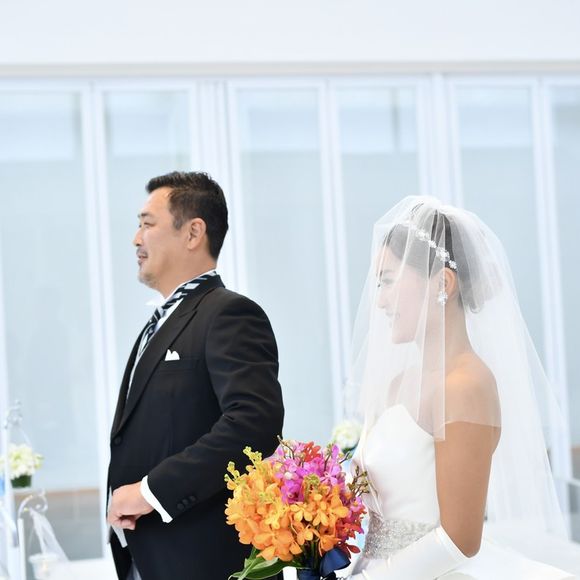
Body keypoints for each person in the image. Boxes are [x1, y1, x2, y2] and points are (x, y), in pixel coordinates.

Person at [345, 197, 577, 579]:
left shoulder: (466, 387)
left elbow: (459, 540)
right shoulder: (398, 384)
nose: (380, 301)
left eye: (387, 281)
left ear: (443, 283)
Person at [106, 171, 284, 580]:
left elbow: (253, 424)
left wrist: (150, 491)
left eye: (147, 224)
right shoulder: (159, 324)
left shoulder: (229, 314)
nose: (136, 239)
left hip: (206, 563)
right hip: (149, 558)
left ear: (193, 233)